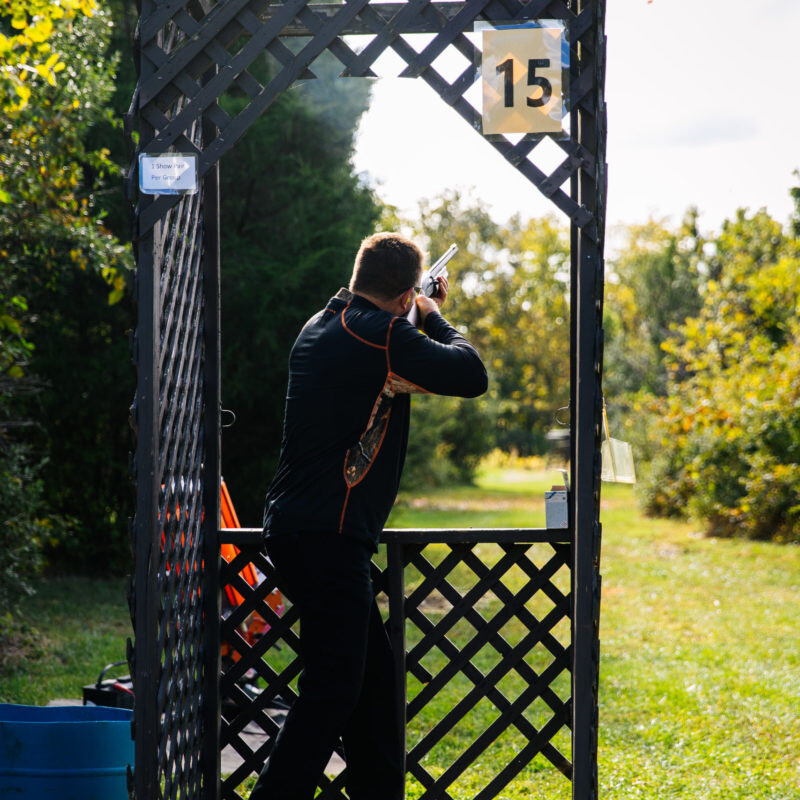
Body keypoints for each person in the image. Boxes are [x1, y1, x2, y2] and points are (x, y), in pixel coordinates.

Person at [251, 232, 488, 800]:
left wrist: (410, 310)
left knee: (374, 690)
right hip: (328, 537)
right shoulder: (383, 334)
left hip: (301, 528)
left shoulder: (324, 323)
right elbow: (470, 374)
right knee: (333, 691)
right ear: (406, 292)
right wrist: (432, 316)